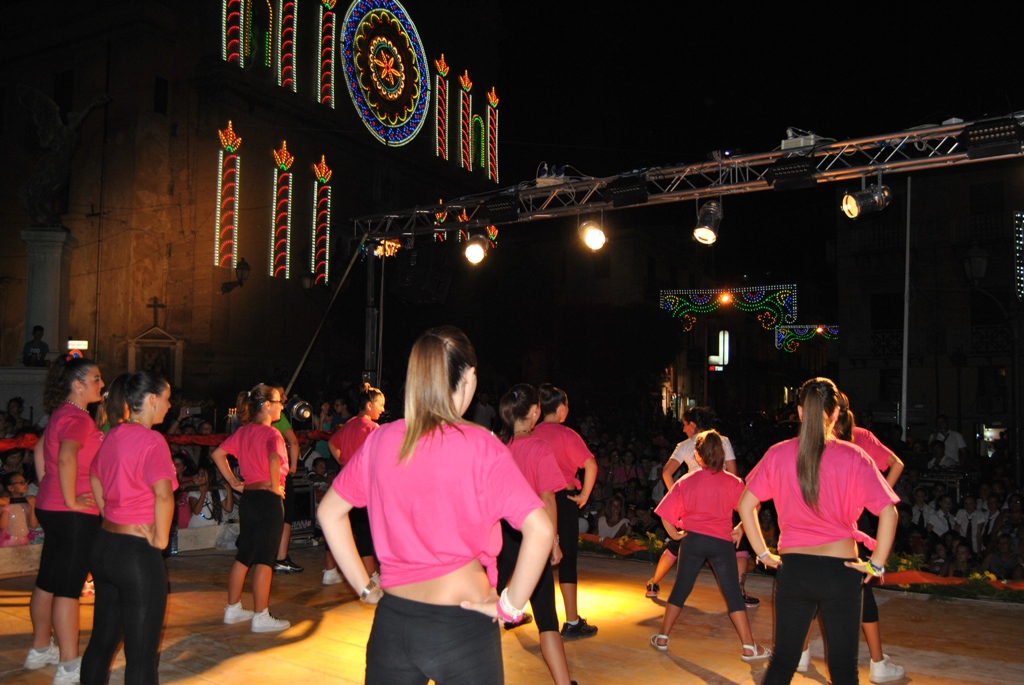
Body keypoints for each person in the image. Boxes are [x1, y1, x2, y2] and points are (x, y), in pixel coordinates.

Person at [317, 326, 553, 684]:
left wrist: (364, 588)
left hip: (392, 623)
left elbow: (328, 511)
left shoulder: (381, 440)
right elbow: (541, 529)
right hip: (462, 627)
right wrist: (510, 606)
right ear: (470, 376)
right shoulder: (482, 445)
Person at [738, 377, 899, 685]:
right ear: (836, 413)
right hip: (842, 572)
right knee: (843, 669)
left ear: (800, 412)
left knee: (782, 662)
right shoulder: (854, 456)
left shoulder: (778, 453)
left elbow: (746, 506)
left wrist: (762, 553)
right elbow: (888, 512)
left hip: (794, 569)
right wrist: (876, 563)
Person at [80, 370, 175, 685]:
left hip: (105, 544)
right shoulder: (152, 440)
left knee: (101, 643)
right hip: (135, 555)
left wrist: (109, 512)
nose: (169, 405)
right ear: (150, 400)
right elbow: (163, 494)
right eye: (166, 398)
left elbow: (94, 476)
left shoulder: (112, 434)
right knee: (141, 656)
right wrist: (161, 540)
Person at [649, 430, 769, 661]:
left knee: (681, 588)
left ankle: (663, 637)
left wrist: (674, 534)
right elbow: (754, 507)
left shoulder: (687, 481)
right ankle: (749, 647)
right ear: (722, 455)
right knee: (733, 593)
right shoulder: (733, 482)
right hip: (722, 543)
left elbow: (664, 513)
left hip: (692, 541)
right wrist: (740, 529)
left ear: (698, 456)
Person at [24, 355, 105, 684]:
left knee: (48, 580)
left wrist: (50, 486)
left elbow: (39, 450)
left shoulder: (61, 413)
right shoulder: (78, 419)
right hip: (72, 513)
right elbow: (67, 454)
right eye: (96, 379)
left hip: (51, 506)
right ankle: (69, 665)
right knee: (68, 590)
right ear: (78, 384)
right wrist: (70, 497)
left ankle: (40, 649)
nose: (101, 383)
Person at [496, 383, 576, 685]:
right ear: (533, 413)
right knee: (547, 620)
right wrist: (553, 541)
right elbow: (548, 498)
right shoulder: (539, 448)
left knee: (486, 610)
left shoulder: (499, 447)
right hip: (532, 539)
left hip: (501, 539)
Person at [211, 384, 291, 633]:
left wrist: (235, 483)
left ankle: (233, 608)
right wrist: (277, 485)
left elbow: (217, 454)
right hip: (267, 499)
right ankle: (261, 615)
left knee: (245, 554)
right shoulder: (272, 433)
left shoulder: (244, 432)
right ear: (266, 405)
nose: (281, 406)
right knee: (266, 558)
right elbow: (274, 458)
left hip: (249, 498)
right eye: (278, 402)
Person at [534, 383, 599, 640]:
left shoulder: (531, 432)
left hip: (536, 499)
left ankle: (522, 611)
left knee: (536, 556)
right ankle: (571, 621)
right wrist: (584, 496)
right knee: (567, 559)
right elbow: (591, 465)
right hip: (563, 498)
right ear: (561, 409)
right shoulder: (568, 435)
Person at [324, 382, 386, 586]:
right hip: (361, 486)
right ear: (369, 405)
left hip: (343, 482)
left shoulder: (349, 423)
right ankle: (373, 576)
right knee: (363, 531)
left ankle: (330, 570)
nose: (382, 409)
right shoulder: (372, 428)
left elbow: (332, 442)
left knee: (340, 525)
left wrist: (344, 460)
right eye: (380, 404)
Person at [270, 385, 303, 575]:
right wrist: (293, 466)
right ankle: (281, 558)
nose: (285, 398)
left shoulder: (252, 419)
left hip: (260, 474)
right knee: (286, 514)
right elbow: (294, 441)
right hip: (279, 474)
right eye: (281, 395)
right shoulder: (277, 418)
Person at [1, 471, 38, 546]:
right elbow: (2, 526)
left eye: (25, 481)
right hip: (9, 543)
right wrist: (6, 509)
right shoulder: (4, 502)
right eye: (21, 482)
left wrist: (33, 506)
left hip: (24, 542)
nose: (25, 484)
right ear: (11, 487)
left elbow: (33, 525)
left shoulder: (27, 502)